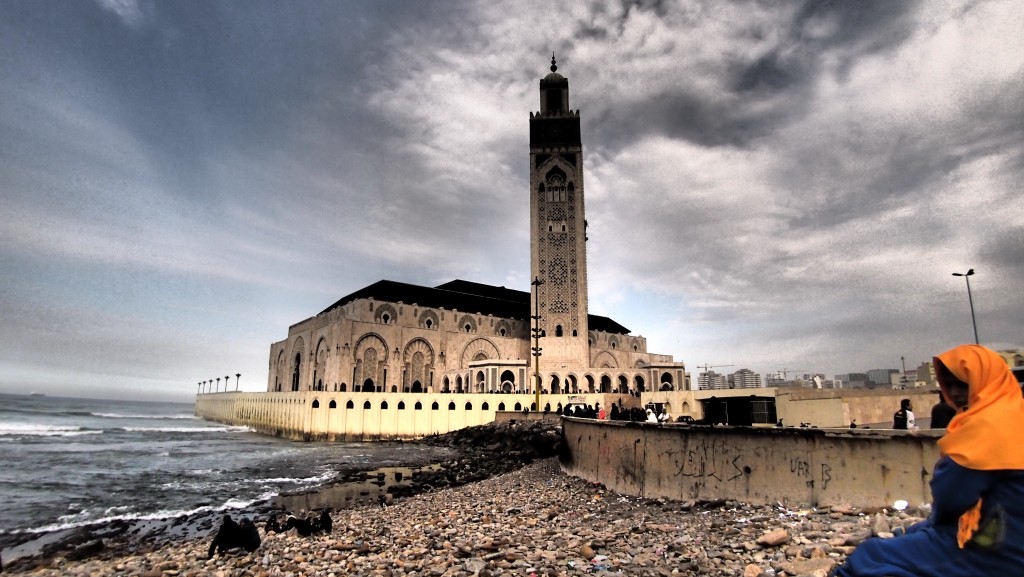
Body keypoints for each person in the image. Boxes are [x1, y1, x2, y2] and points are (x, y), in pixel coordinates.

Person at [831, 344, 1024, 577]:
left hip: (994, 549)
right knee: (910, 535)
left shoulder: (986, 427)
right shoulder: (1013, 414)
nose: (954, 393)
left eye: (962, 384)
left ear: (987, 381)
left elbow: (950, 496)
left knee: (871, 555)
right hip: (1005, 532)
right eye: (949, 385)